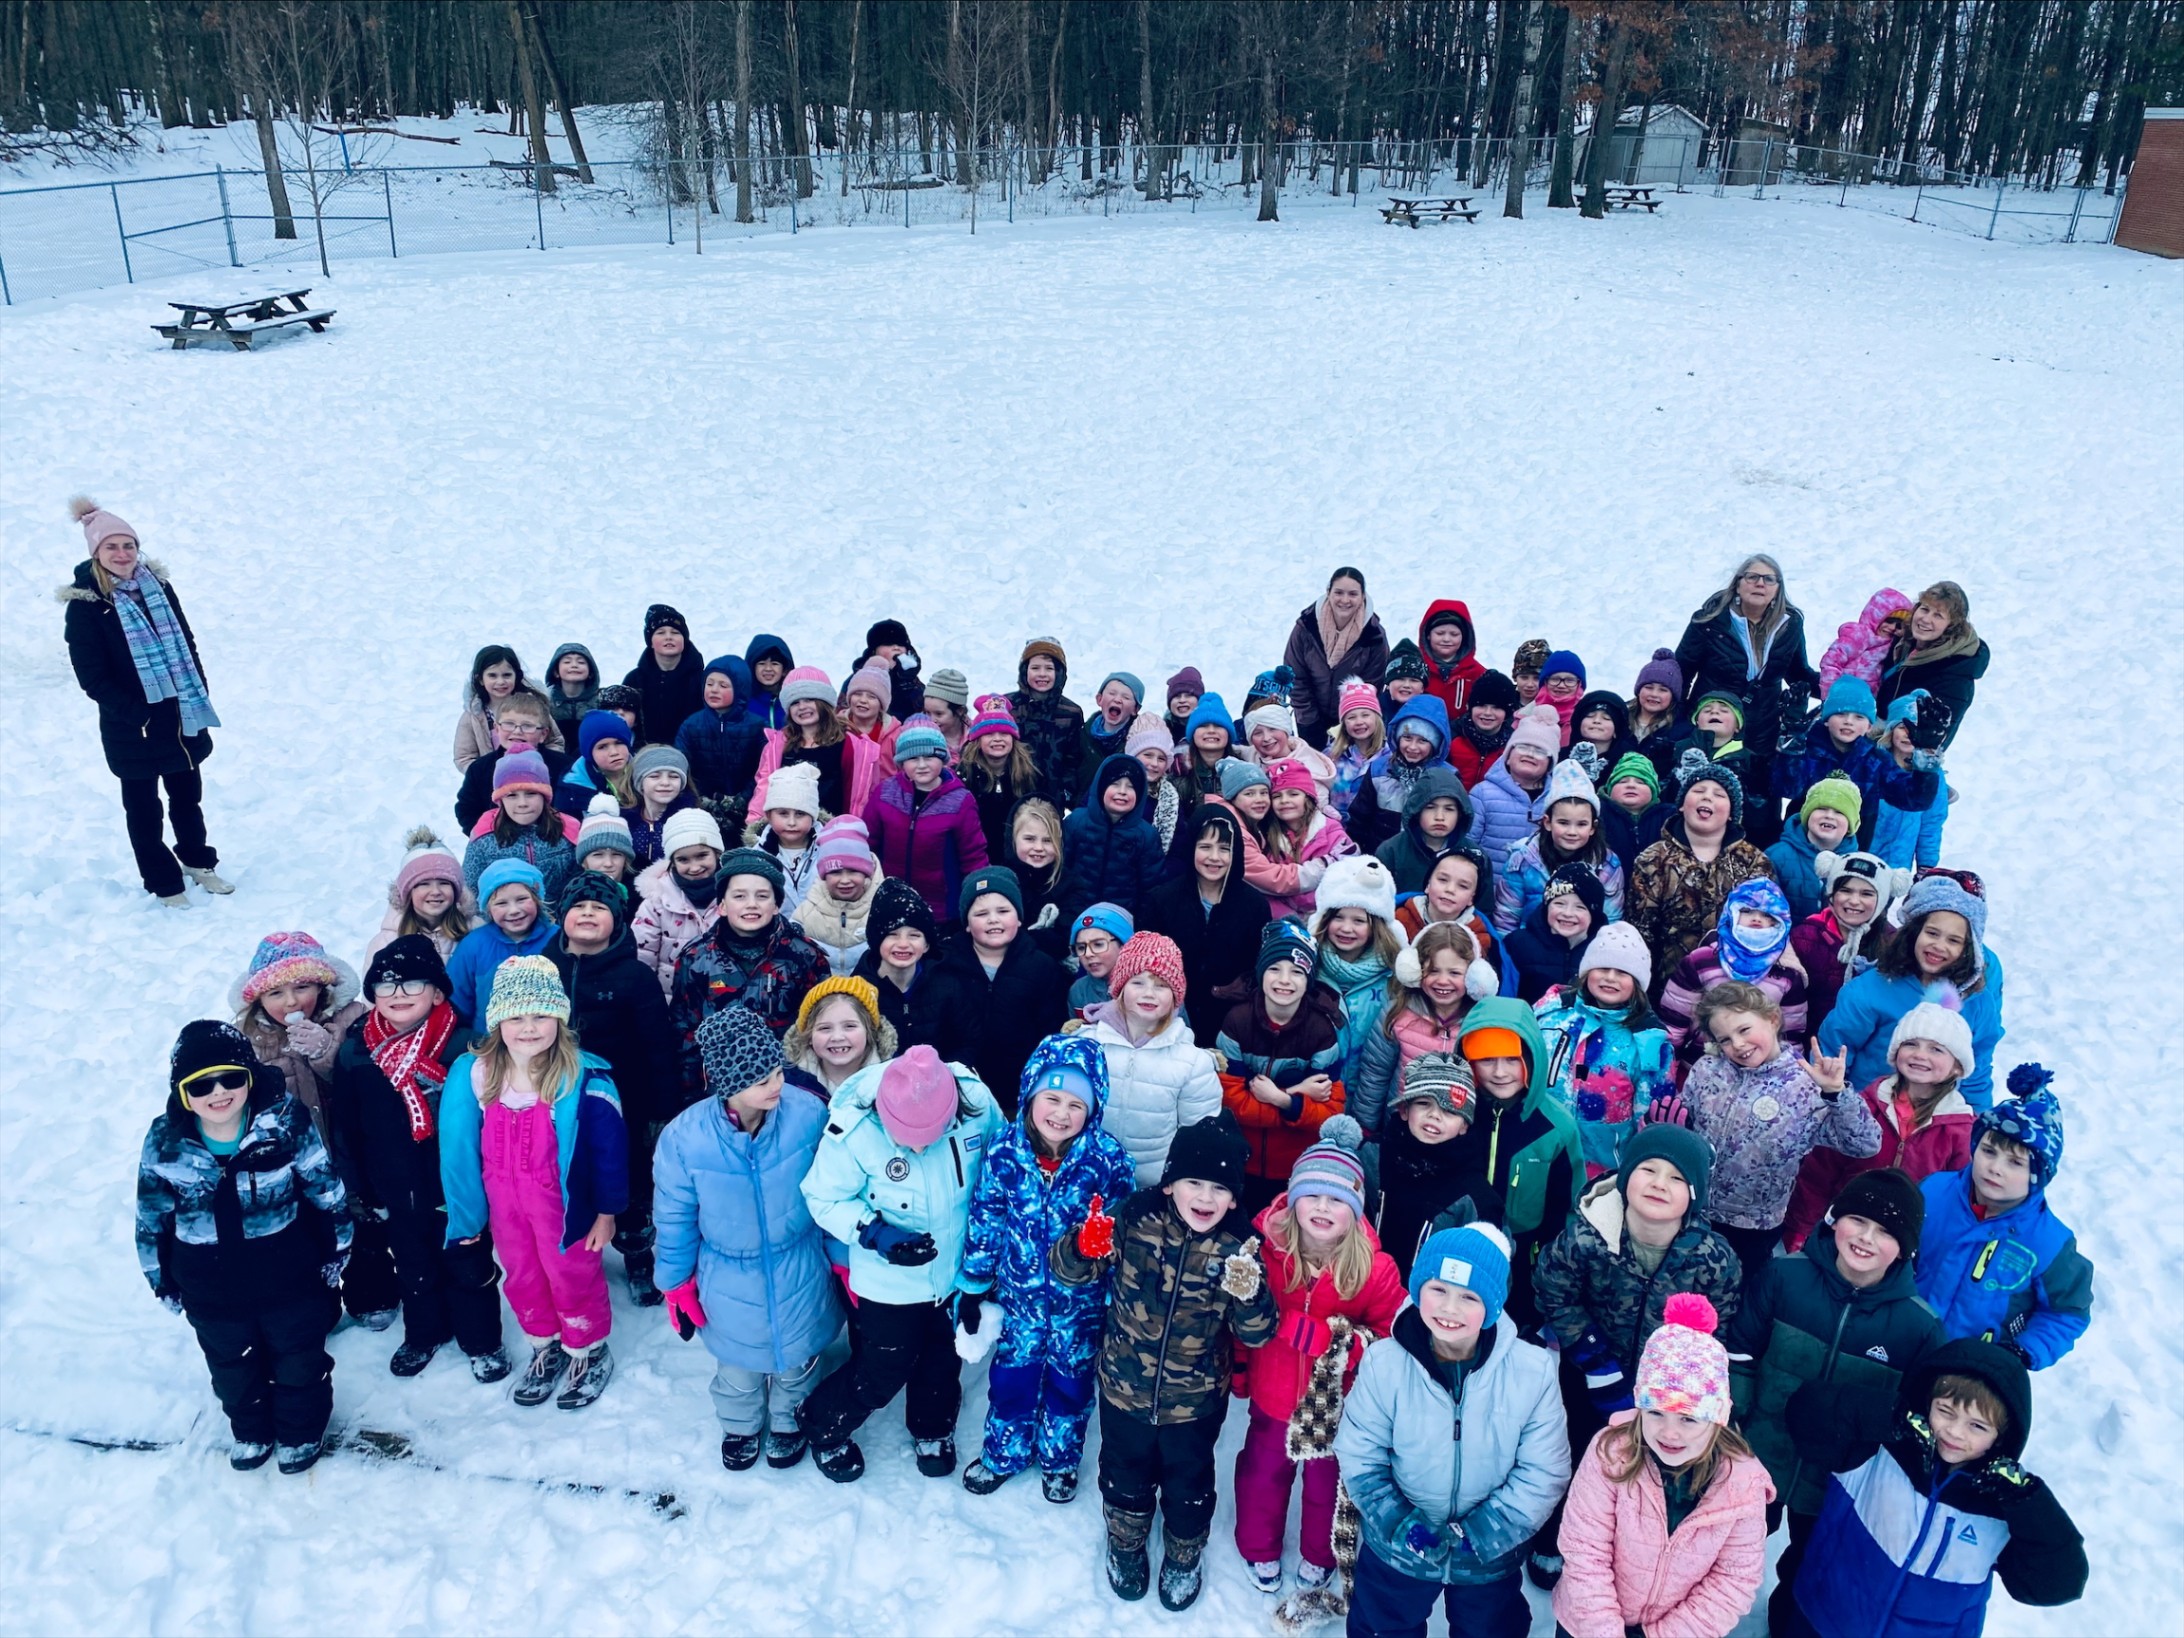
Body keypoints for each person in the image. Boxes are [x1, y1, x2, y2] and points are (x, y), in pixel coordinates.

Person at [1053, 1114, 1279, 1611]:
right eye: (1194, 1182)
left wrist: (1249, 1294)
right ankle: (1126, 1541)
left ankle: (1183, 1551)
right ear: (1171, 1182)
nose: (1205, 1197)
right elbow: (1069, 1272)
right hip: (1123, 1388)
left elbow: (1258, 1333)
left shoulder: (1239, 1250)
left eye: (1219, 1188)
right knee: (1124, 1473)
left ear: (1236, 1197)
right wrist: (1080, 1246)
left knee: (1189, 1480)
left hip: (1194, 1404)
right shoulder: (1134, 1218)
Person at [1729, 1169, 1942, 1634]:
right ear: (1833, 1219)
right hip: (1755, 1456)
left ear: (1905, 1248)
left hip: (1836, 1482)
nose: (1867, 1238)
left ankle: (1786, 1622)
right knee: (1725, 1544)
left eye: (1886, 1232)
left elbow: (1912, 1415)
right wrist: (1735, 1423)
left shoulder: (1917, 1327)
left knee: (1809, 1566)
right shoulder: (1786, 1277)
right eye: (1858, 1221)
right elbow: (1740, 1349)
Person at [1529, 1125, 1743, 1589]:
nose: (1658, 1183)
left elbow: (1718, 1326)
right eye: (1648, 1169)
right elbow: (1554, 1291)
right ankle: (1555, 1535)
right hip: (1588, 1372)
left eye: (1674, 1178)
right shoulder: (1587, 1235)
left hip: (1664, 1394)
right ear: (1626, 1177)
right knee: (1575, 1451)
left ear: (1695, 1195)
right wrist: (1592, 1358)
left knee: (1641, 1469)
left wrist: (1682, 1379)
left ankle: (1625, 1553)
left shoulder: (1713, 1258)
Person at [1333, 1222, 1570, 1638]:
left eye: (1469, 1297)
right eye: (1438, 1289)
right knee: (1382, 1627)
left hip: (1488, 1559)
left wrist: (1486, 1532)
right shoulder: (1384, 1364)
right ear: (1417, 1290)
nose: (1450, 1308)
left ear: (1494, 1305)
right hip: (1397, 1551)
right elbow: (1360, 1453)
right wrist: (1398, 1523)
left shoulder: (1531, 1373)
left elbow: (1543, 1471)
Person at [137, 1020, 351, 1475]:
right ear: (183, 1092)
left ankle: (301, 1430)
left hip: (287, 1275)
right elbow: (151, 1214)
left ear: (250, 1077)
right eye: (202, 1084)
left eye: (230, 1078)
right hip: (209, 1284)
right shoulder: (166, 1140)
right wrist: (161, 1279)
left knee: (299, 1359)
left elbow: (323, 1185)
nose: (219, 1092)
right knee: (231, 1366)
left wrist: (337, 1249)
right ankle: (251, 1428)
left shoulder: (283, 1120)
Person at [652, 1005, 846, 1472]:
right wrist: (676, 1283)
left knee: (798, 1360)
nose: (777, 1084)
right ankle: (740, 1424)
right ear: (728, 1084)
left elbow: (832, 1193)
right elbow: (674, 1218)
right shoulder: (685, 1140)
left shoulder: (808, 1115)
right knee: (738, 1368)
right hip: (728, 1279)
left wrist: (841, 1260)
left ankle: (788, 1419)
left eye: (778, 1070)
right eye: (761, 1080)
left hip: (800, 1264)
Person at [798, 1045, 1004, 1481]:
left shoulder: (978, 1105)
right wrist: (873, 1232)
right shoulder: (854, 1130)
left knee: (942, 1359)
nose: (918, 1145)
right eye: (907, 1136)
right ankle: (822, 1422)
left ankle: (933, 1428)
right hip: (888, 1285)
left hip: (953, 1275)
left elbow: (1001, 1168)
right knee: (884, 1366)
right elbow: (822, 1196)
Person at [1784, 1340, 2086, 1637]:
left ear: (2002, 1437)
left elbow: (2058, 1584)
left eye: (1977, 1426)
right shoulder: (1879, 1453)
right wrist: (1890, 1416)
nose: (1955, 1431)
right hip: (1822, 1618)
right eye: (1945, 1411)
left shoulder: (1999, 1507)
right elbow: (1807, 1413)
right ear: (1927, 1401)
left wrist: (2028, 1502)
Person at [438, 958, 627, 1409]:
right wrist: (467, 1218)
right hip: (506, 1206)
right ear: (497, 1020)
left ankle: (587, 1348)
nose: (528, 1027)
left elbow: (609, 1154)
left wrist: (607, 1211)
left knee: (571, 1275)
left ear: (559, 1019)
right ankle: (546, 1345)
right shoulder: (477, 1074)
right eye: (516, 1016)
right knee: (521, 1274)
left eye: (541, 1015)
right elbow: (458, 1148)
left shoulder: (583, 1078)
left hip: (566, 1208)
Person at [1232, 1120, 1407, 1603]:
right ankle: (1257, 1546)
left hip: (1335, 1407)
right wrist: (1242, 1368)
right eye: (1313, 1196)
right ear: (1292, 1200)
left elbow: (1393, 1336)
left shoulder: (1373, 1267)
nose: (1324, 1209)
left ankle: (1320, 1553)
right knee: (1263, 1474)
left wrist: (1331, 1341)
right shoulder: (1263, 1253)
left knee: (1327, 1484)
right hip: (1271, 1396)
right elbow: (1243, 1316)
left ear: (1355, 1210)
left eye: (1338, 1200)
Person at [960, 1035, 1138, 1500]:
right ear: (1030, 1095)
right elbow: (987, 1214)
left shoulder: (1107, 1159)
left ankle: (1060, 1460)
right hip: (1019, 1298)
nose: (1061, 1114)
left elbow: (1121, 1233)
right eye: (1052, 1098)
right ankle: (1004, 1452)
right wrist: (977, 1282)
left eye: (1076, 1104)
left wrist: (1114, 1288)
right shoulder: (1005, 1151)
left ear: (1093, 1110)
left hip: (1080, 1303)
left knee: (1070, 1383)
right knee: (1012, 1380)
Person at [325, 937, 508, 1383]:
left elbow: (493, 1121)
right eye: (385, 986)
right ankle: (424, 1333)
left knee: (468, 1263)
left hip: (456, 1185)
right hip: (393, 1183)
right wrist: (360, 1188)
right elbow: (346, 1127)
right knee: (412, 1263)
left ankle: (482, 1340)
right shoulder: (357, 1052)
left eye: (412, 983)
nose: (398, 994)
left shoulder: (468, 1047)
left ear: (438, 992)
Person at [1553, 1294, 1773, 1638]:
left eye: (1688, 1418)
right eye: (1655, 1412)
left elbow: (1734, 1579)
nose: (1670, 1432)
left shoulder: (1743, 1483)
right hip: (1586, 1624)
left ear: (1717, 1417)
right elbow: (1584, 1553)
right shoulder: (1610, 1453)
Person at [60, 498, 231, 905]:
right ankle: (162, 880)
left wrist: (198, 690)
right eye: (112, 548)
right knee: (144, 810)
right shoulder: (87, 606)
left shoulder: (159, 589)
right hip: (132, 726)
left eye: (129, 546)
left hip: (181, 714)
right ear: (96, 553)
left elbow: (186, 643)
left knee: (188, 796)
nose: (122, 555)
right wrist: (138, 714)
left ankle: (196, 860)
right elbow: (92, 676)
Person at [1679, 981, 1880, 1290]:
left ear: (1772, 1019)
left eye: (1744, 1030)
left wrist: (1836, 1094)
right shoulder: (1707, 1070)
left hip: (1752, 1229)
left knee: (1733, 1299)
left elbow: (1865, 1143)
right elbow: (1686, 1127)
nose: (1738, 1044)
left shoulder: (1806, 1084)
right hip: (1693, 1212)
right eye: (1726, 1039)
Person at [549, 871, 676, 1305]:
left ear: (617, 920)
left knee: (629, 1180)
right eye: (579, 907)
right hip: (557, 1100)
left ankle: (638, 1252)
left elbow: (659, 1045)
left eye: (599, 908)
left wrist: (662, 1108)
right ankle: (577, 1252)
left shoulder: (635, 977)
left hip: (625, 1105)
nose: (588, 914)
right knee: (569, 1175)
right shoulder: (543, 969)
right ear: (563, 916)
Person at [1915, 1068, 2092, 1368]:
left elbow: (2066, 1313)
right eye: (1988, 1151)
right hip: (1902, 1340)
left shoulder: (2048, 1243)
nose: (1995, 1168)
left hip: (1972, 1368)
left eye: (2015, 1162)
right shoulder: (1933, 1193)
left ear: (2038, 1175)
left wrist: (2022, 1352)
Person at [1782, 998, 1975, 1251]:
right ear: (1895, 1054)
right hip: (1839, 1232)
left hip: (1902, 1246)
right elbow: (1819, 1173)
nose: (1920, 1054)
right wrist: (1801, 1229)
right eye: (1911, 1044)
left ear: (1958, 1068)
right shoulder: (1862, 1107)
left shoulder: (1960, 1128)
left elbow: (1957, 1201)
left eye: (1936, 1049)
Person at [1448, 999, 1586, 1331]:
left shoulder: (1556, 1126)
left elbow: (1568, 1207)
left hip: (1523, 1261)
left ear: (1533, 1057)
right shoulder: (1453, 1113)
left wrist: (1548, 1262)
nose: (1499, 1072)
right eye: (1486, 1060)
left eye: (1512, 1059)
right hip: (1456, 1249)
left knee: (1513, 1332)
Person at [1819, 871, 2004, 1110]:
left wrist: (1975, 1126)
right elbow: (1835, 1049)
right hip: (1868, 1113)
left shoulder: (1977, 1002)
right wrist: (1833, 1104)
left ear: (1969, 949)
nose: (1939, 946)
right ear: (1914, 932)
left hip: (1935, 1122)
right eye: (1932, 933)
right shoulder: (1873, 989)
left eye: (1954, 940)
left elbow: (1976, 1069)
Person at [1672, 553, 1819, 844]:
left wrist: (1844, 692)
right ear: (1738, 584)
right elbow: (1682, 670)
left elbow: (1798, 672)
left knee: (1760, 807)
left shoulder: (1790, 625)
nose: (1760, 584)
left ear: (1778, 588)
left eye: (1768, 579)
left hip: (1763, 727)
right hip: (1713, 725)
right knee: (1708, 794)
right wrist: (1677, 722)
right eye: (1752, 577)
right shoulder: (1710, 621)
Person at [668, 847, 831, 1099]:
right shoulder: (695, 958)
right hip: (718, 1089)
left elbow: (819, 1025)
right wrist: (692, 1092)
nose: (751, 904)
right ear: (722, 905)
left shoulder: (805, 956)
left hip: (787, 1085)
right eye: (740, 896)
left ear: (777, 904)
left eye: (762, 896)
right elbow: (684, 1030)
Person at [1218, 922, 1347, 1215]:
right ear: (1261, 972)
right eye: (1275, 968)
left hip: (1295, 1166)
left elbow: (1330, 1114)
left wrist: (1281, 1098)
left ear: (1309, 979)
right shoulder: (1237, 1022)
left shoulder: (1321, 1032)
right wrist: (1298, 1093)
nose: (1285, 980)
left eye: (1297, 972)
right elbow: (1231, 1104)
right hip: (1240, 1160)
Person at [1625, 755, 1777, 999]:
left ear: (1731, 813)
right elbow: (1639, 931)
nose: (1707, 796)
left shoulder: (1754, 862)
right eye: (1699, 790)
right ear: (1683, 804)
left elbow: (1767, 928)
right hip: (1667, 988)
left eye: (1719, 794)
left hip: (1735, 991)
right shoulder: (1653, 859)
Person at [1530, 921, 1672, 1179]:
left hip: (1603, 1165)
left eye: (1622, 972)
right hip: (1540, 1151)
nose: (1610, 977)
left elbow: (1649, 1117)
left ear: (1638, 983)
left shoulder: (1649, 1041)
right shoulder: (1551, 1014)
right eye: (1603, 968)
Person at [1083, 933, 1224, 1186]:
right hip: (1088, 1179)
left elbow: (1199, 1137)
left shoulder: (1192, 1063)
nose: (1149, 993)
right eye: (1138, 982)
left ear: (1175, 997)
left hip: (1153, 1187)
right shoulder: (1088, 1045)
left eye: (1161, 985)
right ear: (1120, 988)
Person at [936, 867, 1071, 1115]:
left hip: (1021, 1092)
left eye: (1003, 911)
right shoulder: (946, 965)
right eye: (981, 913)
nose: (993, 919)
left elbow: (1051, 1033)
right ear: (966, 923)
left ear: (1019, 918)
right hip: (961, 1093)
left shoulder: (1041, 967)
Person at [1136, 806, 1272, 1048]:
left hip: (1230, 1025)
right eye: (1205, 847)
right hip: (1169, 1021)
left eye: (1224, 849)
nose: (1214, 858)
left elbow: (1258, 967)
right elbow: (1146, 963)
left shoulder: (1255, 906)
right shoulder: (1161, 900)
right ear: (1192, 848)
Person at [1773, 676, 1945, 860]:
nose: (1848, 721)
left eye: (1859, 716)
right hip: (1800, 848)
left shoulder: (1875, 760)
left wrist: (1926, 755)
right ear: (1825, 719)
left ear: (1869, 726)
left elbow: (1915, 799)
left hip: (1850, 855)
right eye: (1840, 714)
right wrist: (1792, 737)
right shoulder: (1808, 750)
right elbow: (1786, 788)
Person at [1353, 920, 1499, 1136]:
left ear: (1474, 976)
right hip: (1401, 1128)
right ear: (1414, 970)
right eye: (1432, 970)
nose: (1443, 980)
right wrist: (1366, 1125)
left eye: (1454, 973)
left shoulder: (1481, 1023)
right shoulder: (1396, 1013)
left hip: (1459, 1133)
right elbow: (1375, 1073)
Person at [1369, 1052, 1500, 1282]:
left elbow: (1486, 1276)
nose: (1434, 1115)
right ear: (1404, 1110)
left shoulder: (1475, 1198)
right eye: (1423, 1103)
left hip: (1424, 1309)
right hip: (1357, 1292)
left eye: (1450, 1111)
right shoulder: (1370, 1157)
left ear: (1464, 1126)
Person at [1654, 876, 1809, 1066]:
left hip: (1761, 1073)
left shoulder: (1787, 972)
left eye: (1768, 915)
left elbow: (1790, 1035)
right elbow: (1673, 1022)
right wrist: (1665, 1070)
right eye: (1747, 910)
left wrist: (1790, 1071)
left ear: (1779, 924)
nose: (1757, 918)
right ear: (1731, 912)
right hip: (1700, 1064)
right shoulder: (1700, 960)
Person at [860, 714, 989, 922]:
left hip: (941, 909)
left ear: (943, 759)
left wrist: (980, 895)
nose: (921, 765)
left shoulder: (959, 801)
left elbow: (973, 856)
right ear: (902, 762)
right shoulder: (885, 793)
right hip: (889, 901)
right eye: (912, 758)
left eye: (929, 757)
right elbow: (867, 844)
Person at [1310, 855, 1407, 1091]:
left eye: (1359, 921)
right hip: (1316, 1092)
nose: (1346, 928)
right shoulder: (1310, 968)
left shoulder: (1391, 977)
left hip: (1364, 1091)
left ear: (1375, 926)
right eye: (1338, 917)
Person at [855, 878, 979, 1062]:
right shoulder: (858, 989)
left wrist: (943, 1073)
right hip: (878, 1083)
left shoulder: (948, 985)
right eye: (892, 934)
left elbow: (967, 1044)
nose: (903, 944)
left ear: (927, 944)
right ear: (876, 941)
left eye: (914, 935)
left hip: (938, 1081)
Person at [1789, 849, 1907, 1027]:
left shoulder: (1893, 943)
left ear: (1882, 900)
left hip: (1865, 1046)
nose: (1854, 901)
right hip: (1811, 1041)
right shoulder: (1805, 936)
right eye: (1845, 890)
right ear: (1831, 893)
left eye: (1866, 893)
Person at [752, 669, 887, 823]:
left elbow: (868, 795)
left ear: (824, 703)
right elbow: (764, 789)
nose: (802, 707)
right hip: (788, 831)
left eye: (809, 699)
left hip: (836, 833)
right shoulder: (778, 745)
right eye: (795, 702)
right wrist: (756, 825)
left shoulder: (854, 746)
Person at [443, 858, 558, 1030]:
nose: (513, 910)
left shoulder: (557, 939)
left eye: (521, 899)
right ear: (488, 909)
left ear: (537, 899)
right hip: (489, 1044)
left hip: (548, 1041)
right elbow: (456, 1001)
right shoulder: (473, 945)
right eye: (501, 903)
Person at [1283, 567, 1390, 749]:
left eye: (1353, 594)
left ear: (1363, 596)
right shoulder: (1306, 627)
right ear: (1328, 592)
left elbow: (1373, 683)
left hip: (1352, 720)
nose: (1345, 600)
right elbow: (1295, 676)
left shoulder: (1374, 636)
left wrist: (1353, 719)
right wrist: (1309, 721)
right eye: (1339, 592)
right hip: (1309, 718)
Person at [1876, 580, 1989, 750]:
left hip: (1894, 761)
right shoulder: (1903, 643)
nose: (1926, 619)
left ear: (1951, 626)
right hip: (1868, 739)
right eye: (1925, 609)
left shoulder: (1954, 676)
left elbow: (1932, 742)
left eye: (1938, 615)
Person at [461, 748, 577, 904]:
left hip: (559, 924)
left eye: (531, 793)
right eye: (512, 795)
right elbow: (471, 893)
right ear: (500, 800)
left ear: (545, 796)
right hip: (504, 923)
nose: (522, 803)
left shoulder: (568, 832)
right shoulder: (483, 839)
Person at [630, 807, 724, 999]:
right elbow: (642, 960)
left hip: (725, 1001)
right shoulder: (656, 903)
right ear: (672, 861)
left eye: (702, 855)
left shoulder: (735, 896)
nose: (695, 867)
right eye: (683, 859)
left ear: (716, 853)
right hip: (671, 1004)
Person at [1060, 753, 1167, 920]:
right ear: (1101, 787)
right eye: (1115, 784)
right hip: (1075, 914)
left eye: (1131, 787)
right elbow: (1062, 869)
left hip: (1120, 920)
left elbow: (1151, 888)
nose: (1122, 792)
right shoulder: (1076, 822)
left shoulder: (1146, 835)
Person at [1347, 698, 1458, 855]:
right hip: (1380, 855)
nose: (1412, 747)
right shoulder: (1379, 770)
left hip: (1424, 859)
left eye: (1423, 740)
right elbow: (1359, 818)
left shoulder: (1447, 778)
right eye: (1407, 738)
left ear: (1435, 744)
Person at [453, 691, 572, 835]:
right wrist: (487, 836)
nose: (517, 731)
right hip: (500, 845)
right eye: (509, 724)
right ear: (497, 729)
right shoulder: (480, 769)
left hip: (553, 843)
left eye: (527, 726)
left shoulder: (563, 766)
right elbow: (467, 808)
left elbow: (573, 805)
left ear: (543, 734)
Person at [1865, 696, 1953, 869]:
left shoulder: (1933, 777)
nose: (1909, 734)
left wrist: (1926, 866)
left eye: (1917, 729)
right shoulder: (1873, 764)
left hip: (1895, 866)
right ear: (1891, 731)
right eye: (1903, 727)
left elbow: (1931, 823)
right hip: (1861, 854)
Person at [1466, 704, 1560, 867]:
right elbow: (1467, 844)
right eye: (1523, 747)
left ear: (1550, 763)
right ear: (1508, 756)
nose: (1530, 754)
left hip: (1536, 889)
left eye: (1540, 751)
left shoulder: (1557, 799)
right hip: (1489, 886)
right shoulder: (1482, 794)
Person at [1502, 863, 1609, 1006]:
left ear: (1593, 914)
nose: (1568, 913)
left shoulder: (1604, 950)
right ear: (1547, 906)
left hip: (1583, 1026)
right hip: (1527, 1023)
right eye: (1559, 904)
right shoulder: (1518, 943)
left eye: (1580, 907)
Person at [791, 817, 884, 977]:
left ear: (867, 872)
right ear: (824, 875)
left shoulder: (883, 911)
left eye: (854, 871)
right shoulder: (805, 914)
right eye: (835, 872)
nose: (845, 880)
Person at [780, 974, 898, 1100]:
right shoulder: (786, 1083)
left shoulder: (893, 1079)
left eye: (849, 1026)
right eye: (825, 1028)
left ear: (869, 1031)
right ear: (808, 1035)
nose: (837, 1037)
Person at [958, 695, 1047, 859]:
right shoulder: (964, 774)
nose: (997, 739)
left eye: (1004, 734)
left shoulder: (1031, 772)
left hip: (1019, 855)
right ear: (977, 739)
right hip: (977, 855)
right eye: (989, 734)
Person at [366, 829, 475, 963]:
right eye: (424, 884)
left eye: (444, 883)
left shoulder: (476, 932)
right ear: (407, 892)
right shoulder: (386, 943)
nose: (435, 891)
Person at [452, 641, 563, 770]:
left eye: (507, 675)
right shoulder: (473, 716)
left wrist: (542, 766)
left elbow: (555, 742)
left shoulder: (534, 708)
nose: (500, 682)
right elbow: (464, 757)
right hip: (493, 784)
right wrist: (486, 774)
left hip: (535, 780)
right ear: (480, 679)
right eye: (492, 676)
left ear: (517, 676)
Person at [1007, 637, 1088, 804]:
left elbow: (1072, 758)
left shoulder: (1071, 712)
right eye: (1035, 668)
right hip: (1012, 791)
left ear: (1059, 673)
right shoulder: (1008, 706)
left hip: (1052, 795)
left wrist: (1067, 791)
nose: (1042, 674)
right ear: (1025, 671)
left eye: (1049, 668)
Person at [675, 654, 766, 802]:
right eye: (709, 684)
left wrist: (743, 799)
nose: (714, 690)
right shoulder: (691, 725)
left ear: (740, 690)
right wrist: (701, 798)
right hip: (703, 804)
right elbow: (682, 766)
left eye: (723, 685)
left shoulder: (757, 726)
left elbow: (764, 769)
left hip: (749, 805)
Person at [1371, 764, 1471, 896]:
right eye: (1430, 807)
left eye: (1449, 809)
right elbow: (1375, 902)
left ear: (1460, 814)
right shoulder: (1391, 851)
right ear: (1417, 811)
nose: (1439, 817)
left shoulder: (1474, 856)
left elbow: (1482, 911)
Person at [745, 762, 828, 914]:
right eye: (783, 813)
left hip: (820, 936)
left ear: (813, 816)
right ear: (769, 816)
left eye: (800, 814)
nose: (791, 822)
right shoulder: (755, 857)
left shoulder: (829, 851)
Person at [623, 603, 705, 747]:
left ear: (684, 640)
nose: (669, 637)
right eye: (661, 632)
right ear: (651, 642)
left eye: (675, 632)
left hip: (690, 753)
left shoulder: (701, 679)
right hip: (644, 753)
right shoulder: (634, 680)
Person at [1816, 588, 1912, 697]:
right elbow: (1831, 662)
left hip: (1865, 703)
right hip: (1840, 696)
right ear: (1876, 616)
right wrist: (1831, 693)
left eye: (1899, 625)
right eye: (1889, 621)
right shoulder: (1857, 636)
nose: (1892, 627)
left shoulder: (1891, 645)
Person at [1415, 600, 1487, 719]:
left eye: (1454, 634)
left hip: (1461, 735)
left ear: (1464, 637)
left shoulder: (1477, 674)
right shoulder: (1414, 668)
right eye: (1440, 633)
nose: (1446, 639)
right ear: (1428, 635)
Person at [1448, 671, 1520, 790]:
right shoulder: (1452, 736)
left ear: (1507, 712)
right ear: (1470, 707)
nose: (1487, 713)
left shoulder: (1512, 746)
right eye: (1481, 705)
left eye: (1496, 708)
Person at [1326, 683, 1387, 821]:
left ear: (1377, 719)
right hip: (1337, 832)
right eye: (1351, 717)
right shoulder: (1331, 756)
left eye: (1365, 715)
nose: (1359, 722)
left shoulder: (1389, 757)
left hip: (1372, 832)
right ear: (1344, 723)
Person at [1066, 902, 1134, 1017]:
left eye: (1098, 945)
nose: (1088, 954)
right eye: (1081, 947)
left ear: (1124, 946)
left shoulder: (1147, 987)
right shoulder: (1079, 991)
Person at [1625, 648, 1685, 776]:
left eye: (1663, 690)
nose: (1654, 694)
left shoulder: (1680, 730)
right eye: (1648, 687)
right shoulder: (1619, 718)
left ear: (1673, 696)